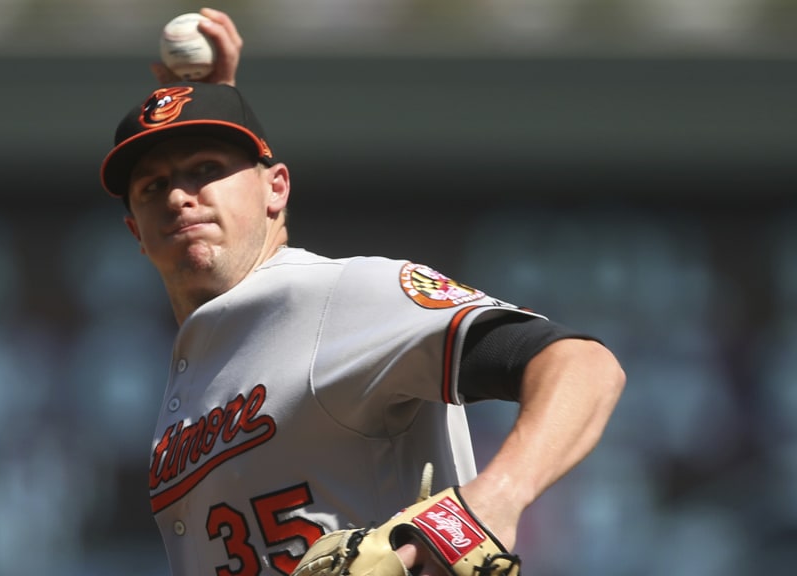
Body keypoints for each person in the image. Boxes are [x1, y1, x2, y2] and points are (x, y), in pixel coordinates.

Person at [99, 9, 626, 576]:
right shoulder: (196, 369)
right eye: (153, 186)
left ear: (276, 188)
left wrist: (497, 496)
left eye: (205, 169)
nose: (179, 196)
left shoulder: (339, 296)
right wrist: (214, 106)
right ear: (135, 231)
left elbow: (582, 364)